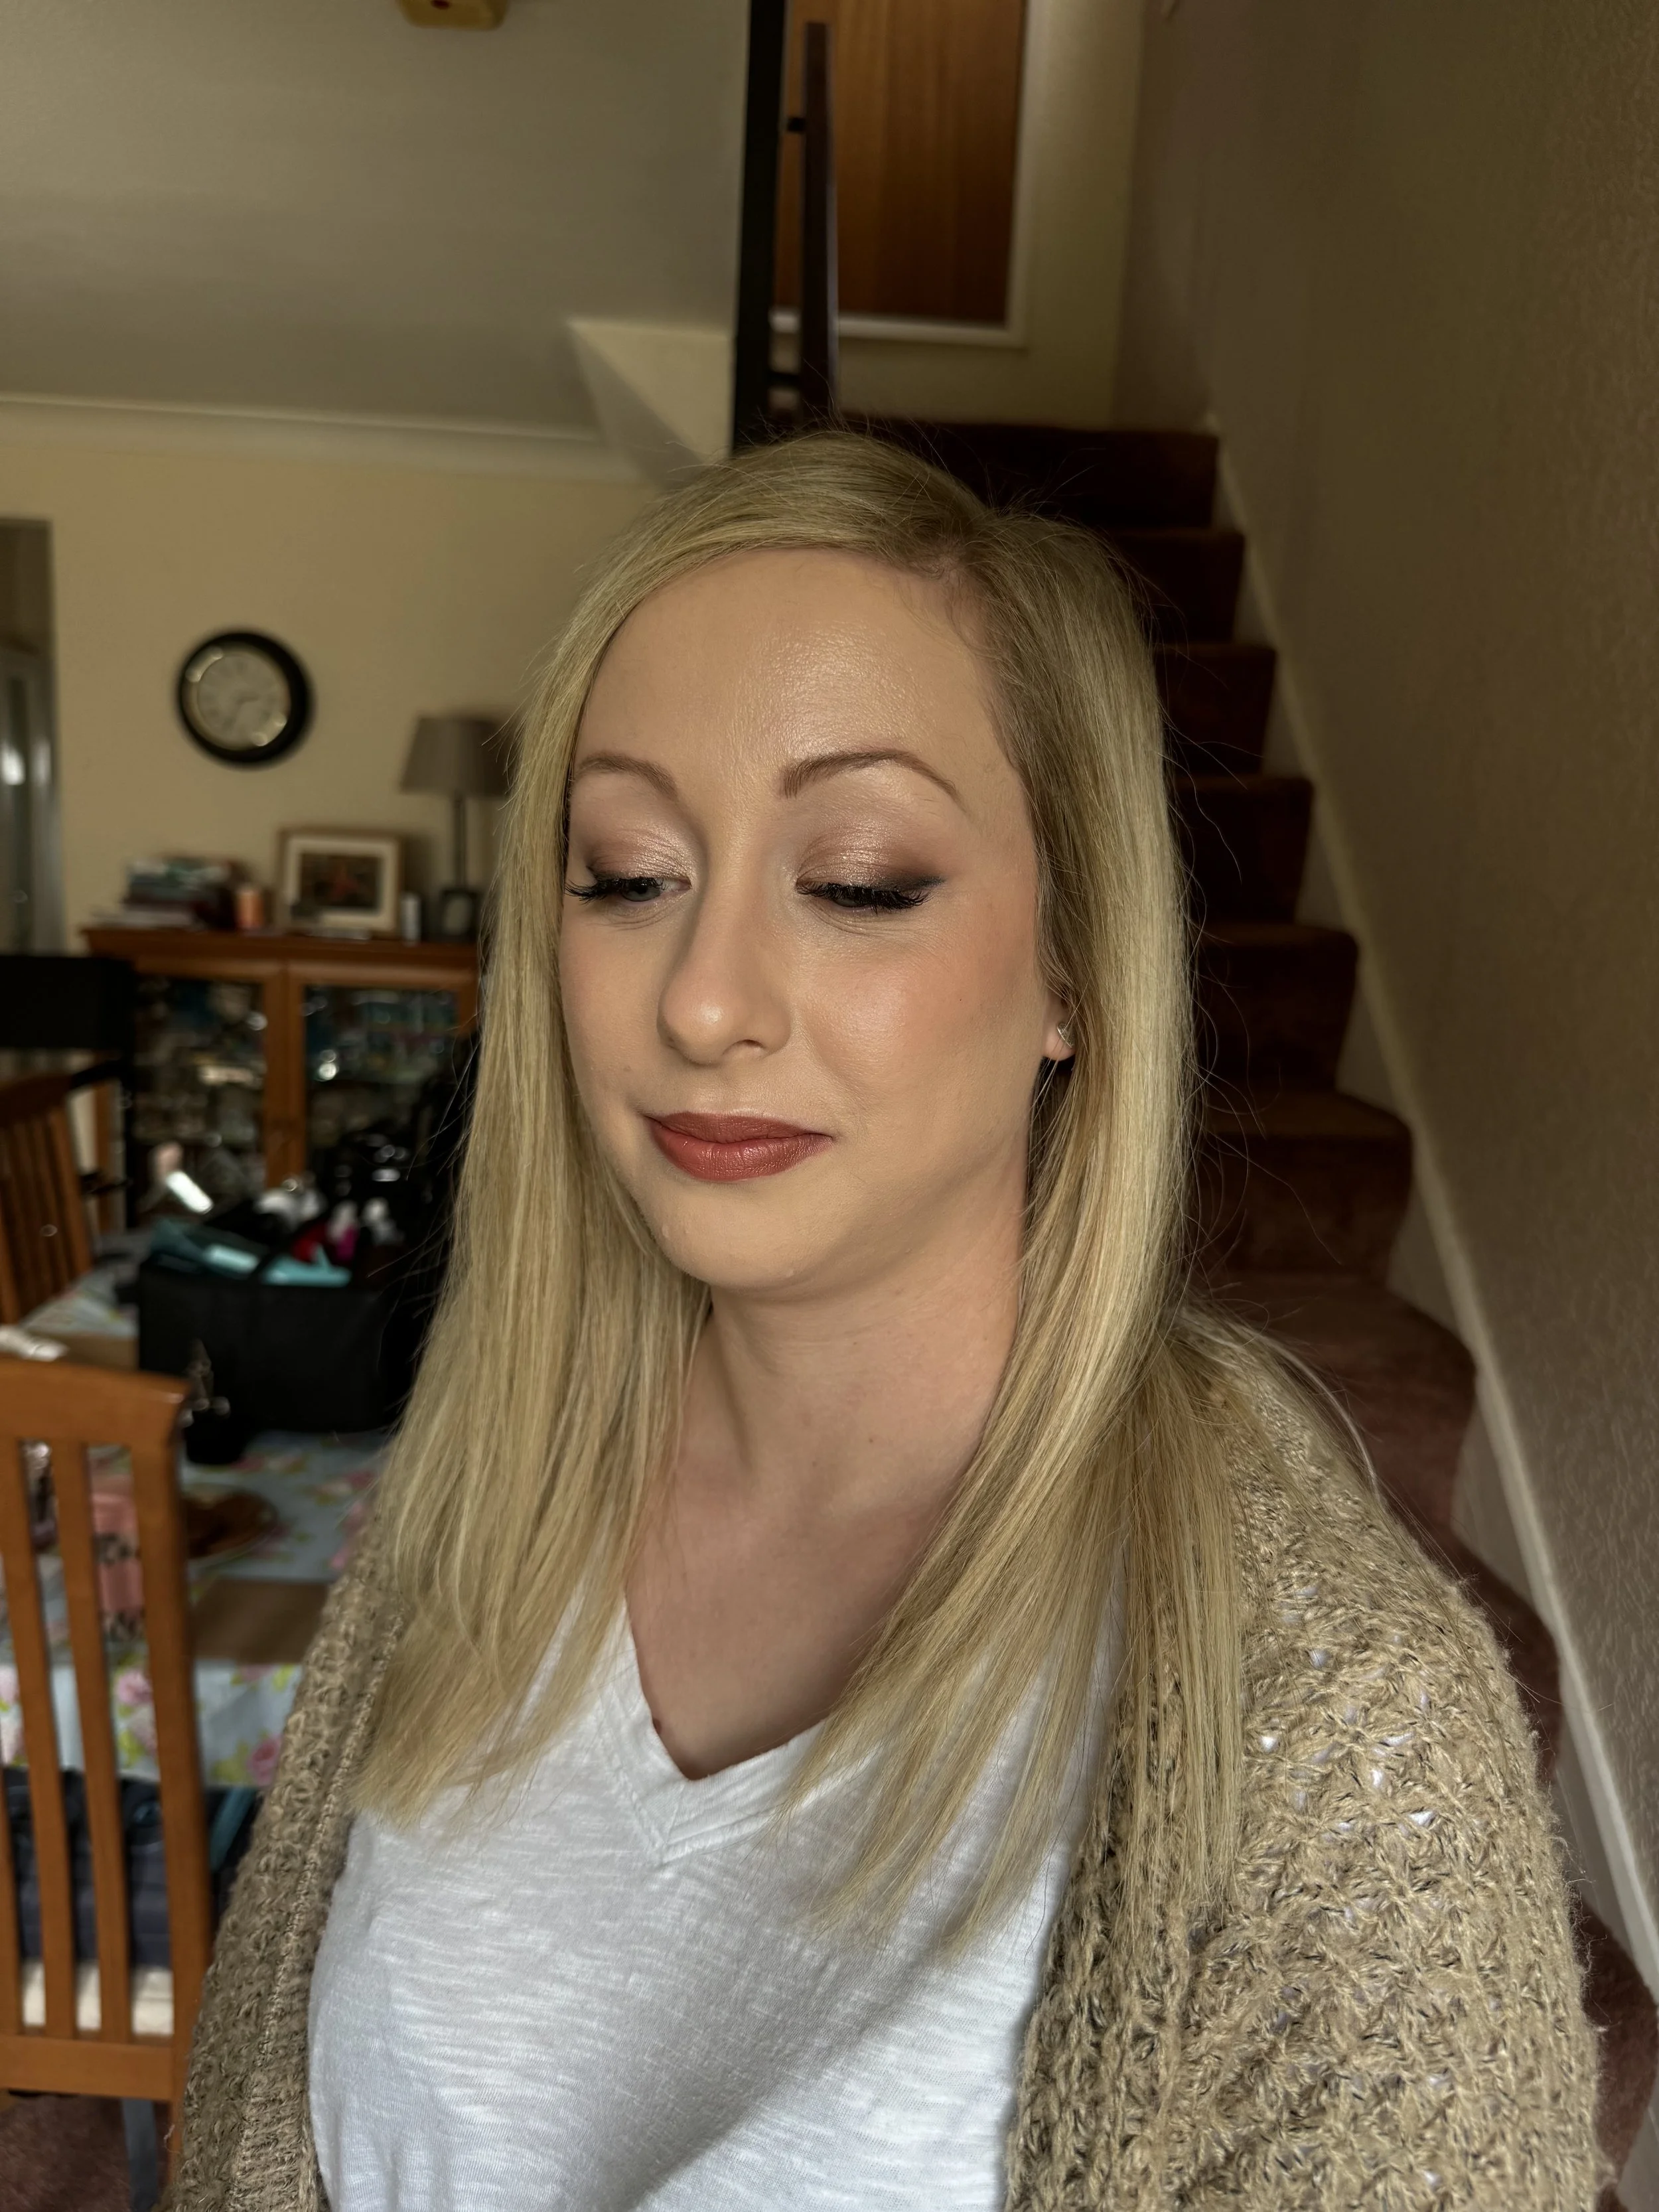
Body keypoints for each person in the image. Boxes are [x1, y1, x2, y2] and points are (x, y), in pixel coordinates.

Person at [171, 434, 1601, 2211]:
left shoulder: (1335, 1727)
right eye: (624, 871)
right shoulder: (471, 1500)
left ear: (1074, 964)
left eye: (854, 879)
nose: (700, 998)